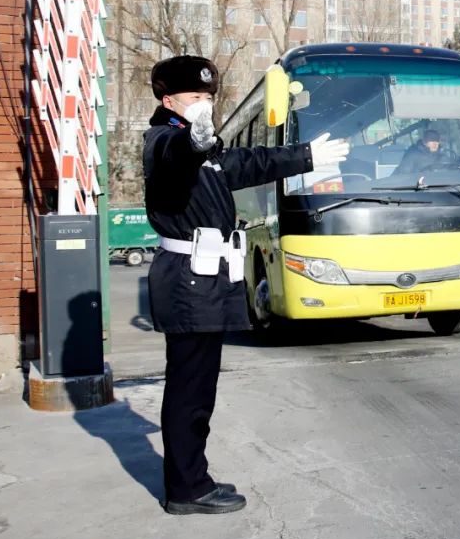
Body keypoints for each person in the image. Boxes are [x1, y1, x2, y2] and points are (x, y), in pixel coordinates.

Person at [143, 55, 349, 515]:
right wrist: (192, 144)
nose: (203, 106)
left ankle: (191, 476)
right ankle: (186, 489)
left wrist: (307, 156)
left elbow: (249, 162)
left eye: (208, 98)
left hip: (205, 281)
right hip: (189, 281)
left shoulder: (207, 148)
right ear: (168, 100)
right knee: (189, 390)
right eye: (194, 98)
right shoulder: (163, 142)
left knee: (199, 389)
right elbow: (175, 160)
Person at [393, 129, 458, 176]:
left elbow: (453, 176)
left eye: (436, 141)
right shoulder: (412, 156)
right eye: (431, 141)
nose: (435, 144)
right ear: (424, 142)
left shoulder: (444, 157)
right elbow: (401, 176)